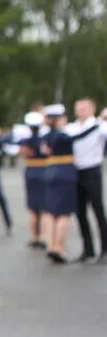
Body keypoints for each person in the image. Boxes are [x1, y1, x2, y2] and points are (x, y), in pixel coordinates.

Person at [69, 98, 107, 264]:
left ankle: (105, 248)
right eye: (78, 108)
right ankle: (88, 249)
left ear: (92, 109)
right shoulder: (72, 127)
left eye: (83, 108)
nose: (80, 111)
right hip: (76, 170)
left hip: (92, 170)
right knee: (80, 212)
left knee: (98, 210)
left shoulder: (100, 126)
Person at [41, 104, 78, 263]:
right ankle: (58, 247)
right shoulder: (62, 136)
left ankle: (50, 244)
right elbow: (80, 136)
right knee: (64, 212)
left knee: (51, 211)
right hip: (65, 172)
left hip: (50, 170)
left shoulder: (46, 136)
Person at [17, 111, 49, 249]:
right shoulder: (45, 139)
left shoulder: (26, 141)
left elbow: (22, 154)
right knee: (45, 207)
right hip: (44, 169)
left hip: (31, 170)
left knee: (32, 207)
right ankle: (43, 236)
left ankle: (34, 236)